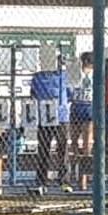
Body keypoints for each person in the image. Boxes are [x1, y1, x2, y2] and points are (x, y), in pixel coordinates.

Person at [30, 59, 74, 188]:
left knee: (60, 148)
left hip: (59, 117)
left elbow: (69, 94)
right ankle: (44, 180)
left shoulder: (62, 76)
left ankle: (61, 180)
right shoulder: (38, 77)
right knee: (48, 149)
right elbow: (33, 94)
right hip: (48, 116)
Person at [70, 52, 94, 154]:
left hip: (88, 105)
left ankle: (86, 155)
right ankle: (75, 158)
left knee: (87, 135)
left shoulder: (95, 74)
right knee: (74, 137)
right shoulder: (76, 73)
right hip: (77, 104)